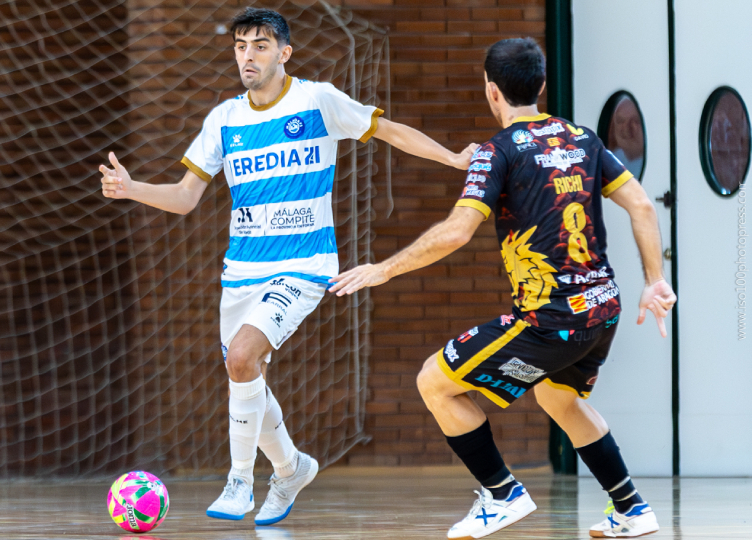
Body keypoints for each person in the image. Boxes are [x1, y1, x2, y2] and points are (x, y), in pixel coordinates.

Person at [99, 7, 476, 526]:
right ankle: (291, 467)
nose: (247, 56)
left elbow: (390, 132)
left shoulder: (317, 100)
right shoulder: (224, 119)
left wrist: (454, 159)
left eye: (259, 45)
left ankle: (238, 480)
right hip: (241, 272)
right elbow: (187, 197)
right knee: (245, 373)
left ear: (284, 52)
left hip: (303, 266)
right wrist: (132, 189)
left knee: (242, 359)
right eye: (240, 46)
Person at [329, 37, 676, 539]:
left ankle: (502, 494)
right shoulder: (581, 138)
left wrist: (384, 269)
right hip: (603, 309)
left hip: (552, 320)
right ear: (540, 85)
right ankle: (630, 507)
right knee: (559, 400)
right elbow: (642, 205)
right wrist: (655, 281)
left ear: (492, 92)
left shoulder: (498, 152)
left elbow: (456, 231)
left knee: (433, 382)